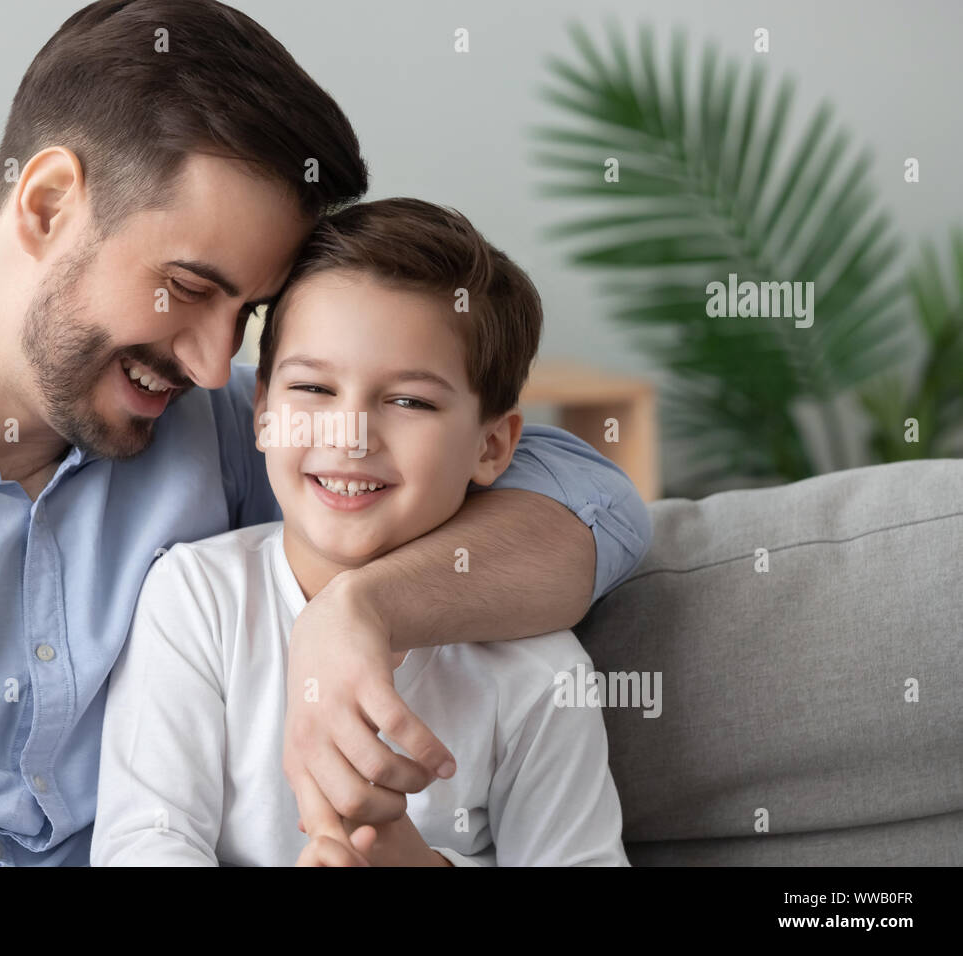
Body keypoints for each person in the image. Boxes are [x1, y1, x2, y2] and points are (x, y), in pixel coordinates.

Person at [0, 0, 649, 866]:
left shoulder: (229, 428)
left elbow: (592, 500)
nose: (216, 363)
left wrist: (367, 613)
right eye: (188, 289)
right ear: (49, 204)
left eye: (247, 313)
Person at [91, 198, 629, 866]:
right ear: (262, 411)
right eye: (314, 389)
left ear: (492, 446)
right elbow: (144, 840)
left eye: (409, 401)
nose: (349, 435)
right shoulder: (197, 600)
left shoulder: (539, 674)